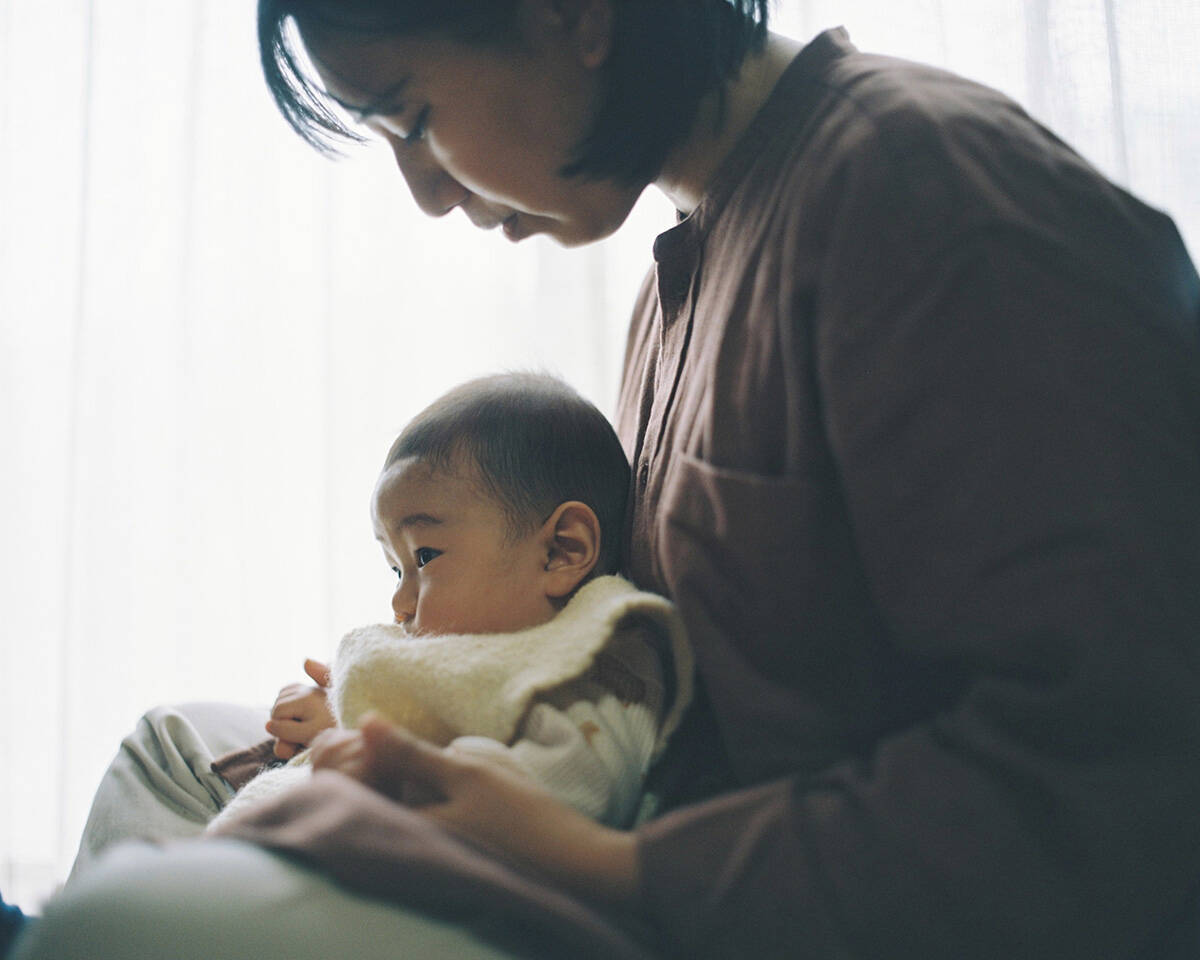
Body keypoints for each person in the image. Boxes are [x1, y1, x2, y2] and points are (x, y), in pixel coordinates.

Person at [14, 1, 1200, 958]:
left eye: (413, 115)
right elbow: (626, 645)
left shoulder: (933, 200)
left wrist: (588, 861)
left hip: (712, 888)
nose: (424, 192)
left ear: (572, 14)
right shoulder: (681, 276)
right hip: (640, 819)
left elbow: (1127, 785)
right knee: (179, 745)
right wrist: (424, 708)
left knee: (129, 921)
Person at [207, 372, 691, 833]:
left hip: (417, 883)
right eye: (397, 569)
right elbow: (441, 707)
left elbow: (563, 799)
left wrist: (375, 755)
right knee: (164, 731)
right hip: (282, 834)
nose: (399, 601)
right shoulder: (486, 639)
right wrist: (345, 709)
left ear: (561, 551)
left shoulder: (596, 671)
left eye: (425, 556)